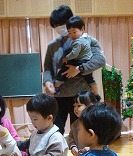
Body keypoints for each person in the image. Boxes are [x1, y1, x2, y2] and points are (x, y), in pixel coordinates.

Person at [43, 5, 106, 134]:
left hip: (81, 96)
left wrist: (79, 69)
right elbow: (48, 67)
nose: (59, 28)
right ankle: (57, 155)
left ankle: (83, 155)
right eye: (56, 25)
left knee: (81, 133)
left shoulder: (88, 41)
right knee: (55, 133)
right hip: (59, 95)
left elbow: (100, 60)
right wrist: (47, 82)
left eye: (62, 24)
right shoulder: (52, 46)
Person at [56, 16, 99, 97]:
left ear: (82, 29)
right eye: (69, 32)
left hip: (83, 92)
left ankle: (57, 87)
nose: (72, 35)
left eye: (74, 32)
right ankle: (97, 94)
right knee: (91, 80)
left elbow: (100, 61)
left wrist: (79, 68)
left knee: (62, 71)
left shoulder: (86, 41)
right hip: (65, 92)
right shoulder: (71, 41)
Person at [68, 90, 98, 156]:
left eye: (79, 106)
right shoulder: (75, 124)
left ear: (90, 106)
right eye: (74, 106)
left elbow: (103, 141)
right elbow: (71, 137)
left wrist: (91, 148)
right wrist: (73, 146)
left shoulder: (96, 123)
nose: (75, 109)